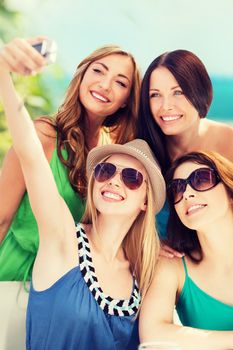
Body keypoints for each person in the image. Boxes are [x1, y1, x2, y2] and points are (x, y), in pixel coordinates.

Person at [0, 58, 166, 348]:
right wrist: (3, 73)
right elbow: (29, 152)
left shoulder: (145, 272)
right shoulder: (63, 239)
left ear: (145, 202)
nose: (114, 180)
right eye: (105, 171)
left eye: (131, 177)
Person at [0, 37, 141, 282]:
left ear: (127, 100)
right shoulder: (44, 134)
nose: (105, 85)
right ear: (82, 75)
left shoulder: (111, 157)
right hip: (13, 273)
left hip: (67, 282)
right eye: (98, 70)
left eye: (120, 82)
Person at [139, 151, 233, 350]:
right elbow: (152, 335)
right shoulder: (172, 265)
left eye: (202, 179)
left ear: (229, 190)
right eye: (178, 188)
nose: (188, 193)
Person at [137, 49, 233, 240]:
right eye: (155, 95)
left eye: (178, 92)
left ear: (199, 90)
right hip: (166, 264)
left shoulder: (228, 142)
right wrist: (150, 247)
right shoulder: (142, 152)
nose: (166, 106)